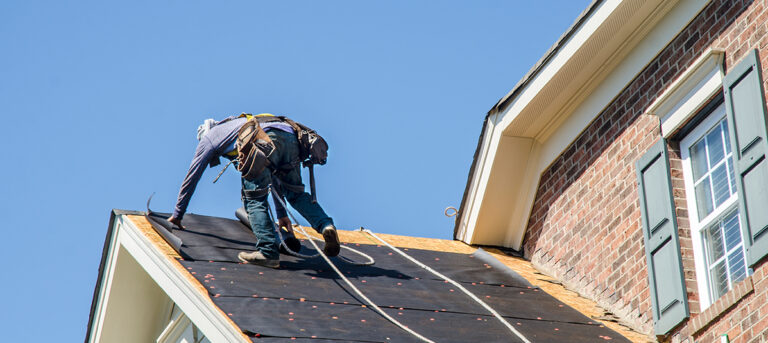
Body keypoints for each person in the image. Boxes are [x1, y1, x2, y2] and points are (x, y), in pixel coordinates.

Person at [168, 113, 339, 268]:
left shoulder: (209, 138)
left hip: (262, 140)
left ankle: (267, 252)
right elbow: (274, 172)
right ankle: (326, 226)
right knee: (296, 194)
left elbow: (192, 176)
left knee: (254, 199)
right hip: (289, 136)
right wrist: (281, 215)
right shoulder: (237, 124)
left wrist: (177, 214)